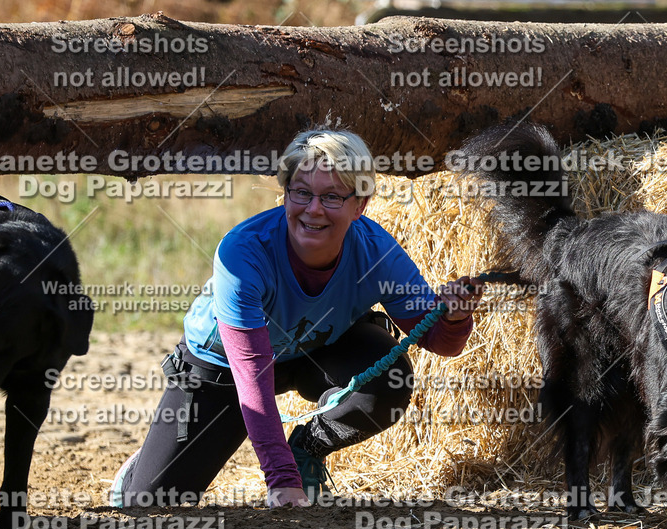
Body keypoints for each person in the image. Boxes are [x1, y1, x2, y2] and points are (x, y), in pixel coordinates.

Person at [111, 128, 483, 509]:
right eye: (301, 192)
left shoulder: (376, 253)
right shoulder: (242, 254)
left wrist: (454, 317)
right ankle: (142, 468)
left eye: (332, 196)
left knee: (389, 377)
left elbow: (438, 340)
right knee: (151, 503)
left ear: (361, 205)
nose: (313, 209)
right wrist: (282, 481)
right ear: (285, 193)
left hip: (313, 354)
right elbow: (252, 374)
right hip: (225, 367)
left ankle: (307, 447)